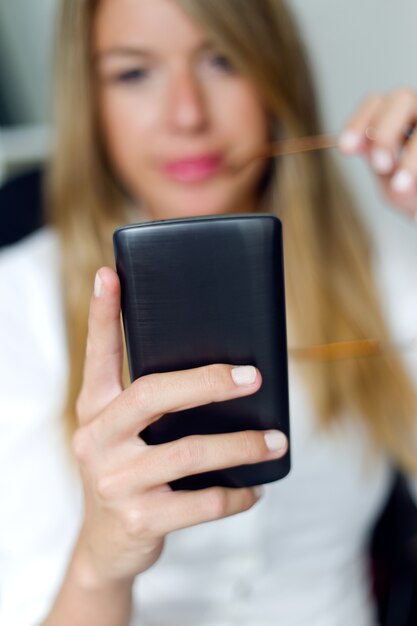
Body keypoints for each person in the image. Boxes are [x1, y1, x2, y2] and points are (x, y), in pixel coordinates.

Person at [1, 0, 417, 625]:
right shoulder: (17, 302)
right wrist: (99, 561)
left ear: (275, 73)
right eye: (133, 73)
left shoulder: (378, 268)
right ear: (91, 102)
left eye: (222, 60)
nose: (188, 115)